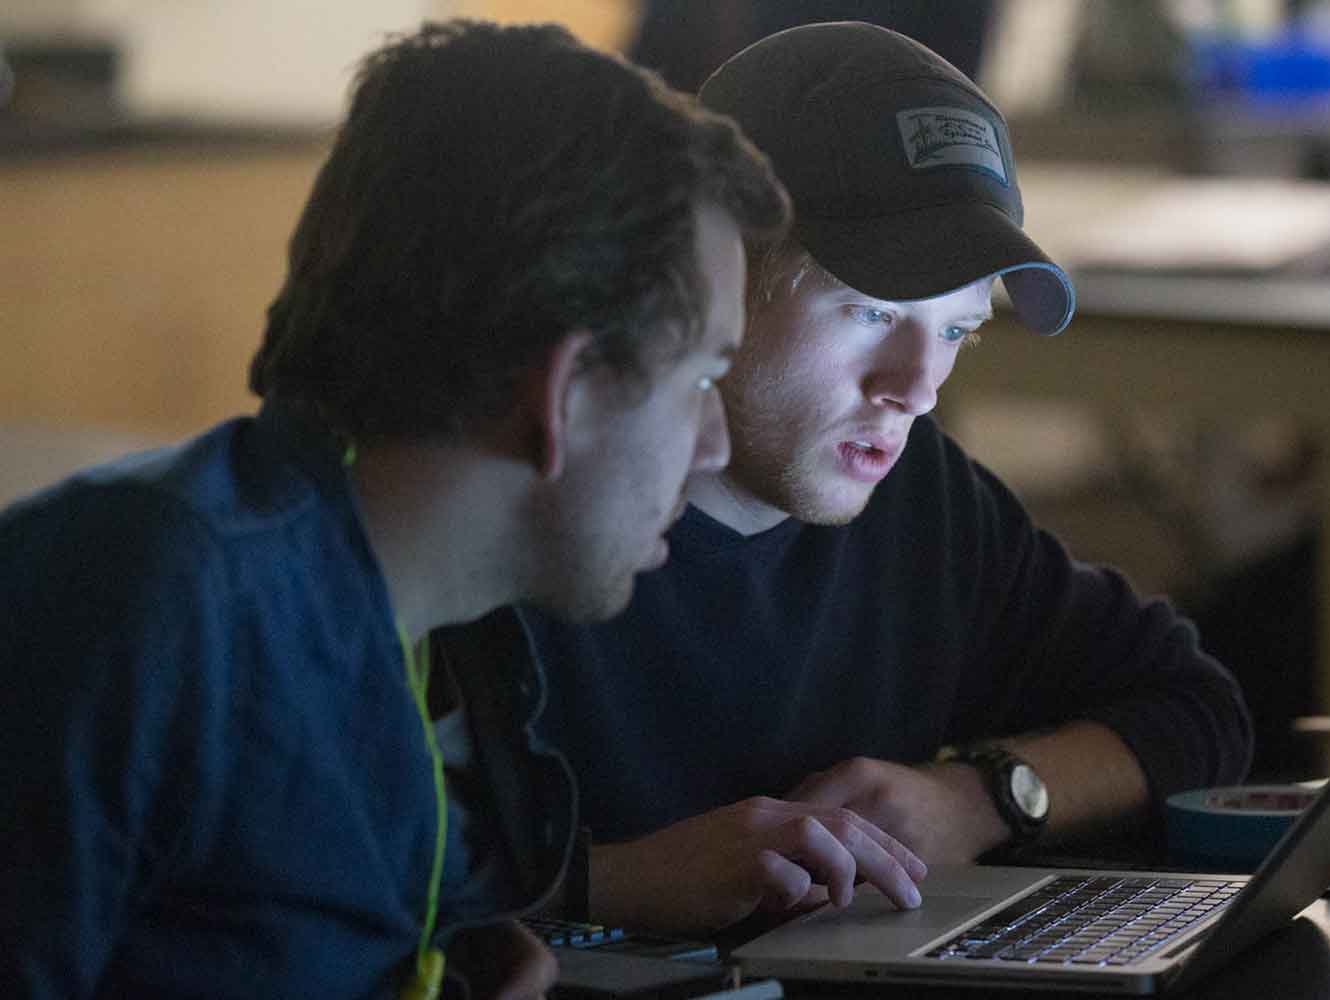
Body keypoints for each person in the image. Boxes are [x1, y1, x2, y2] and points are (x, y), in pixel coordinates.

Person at [0, 19, 899, 999]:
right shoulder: (143, 602)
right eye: (700, 381)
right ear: (566, 391)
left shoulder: (426, 642)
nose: (716, 445)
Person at [463, 21, 1254, 937]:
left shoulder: (922, 502)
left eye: (957, 331)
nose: (915, 389)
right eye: (871, 312)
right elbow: (364, 873)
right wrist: (614, 881)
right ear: (710, 279)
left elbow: (1198, 712)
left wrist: (979, 799)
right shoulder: (510, 514)